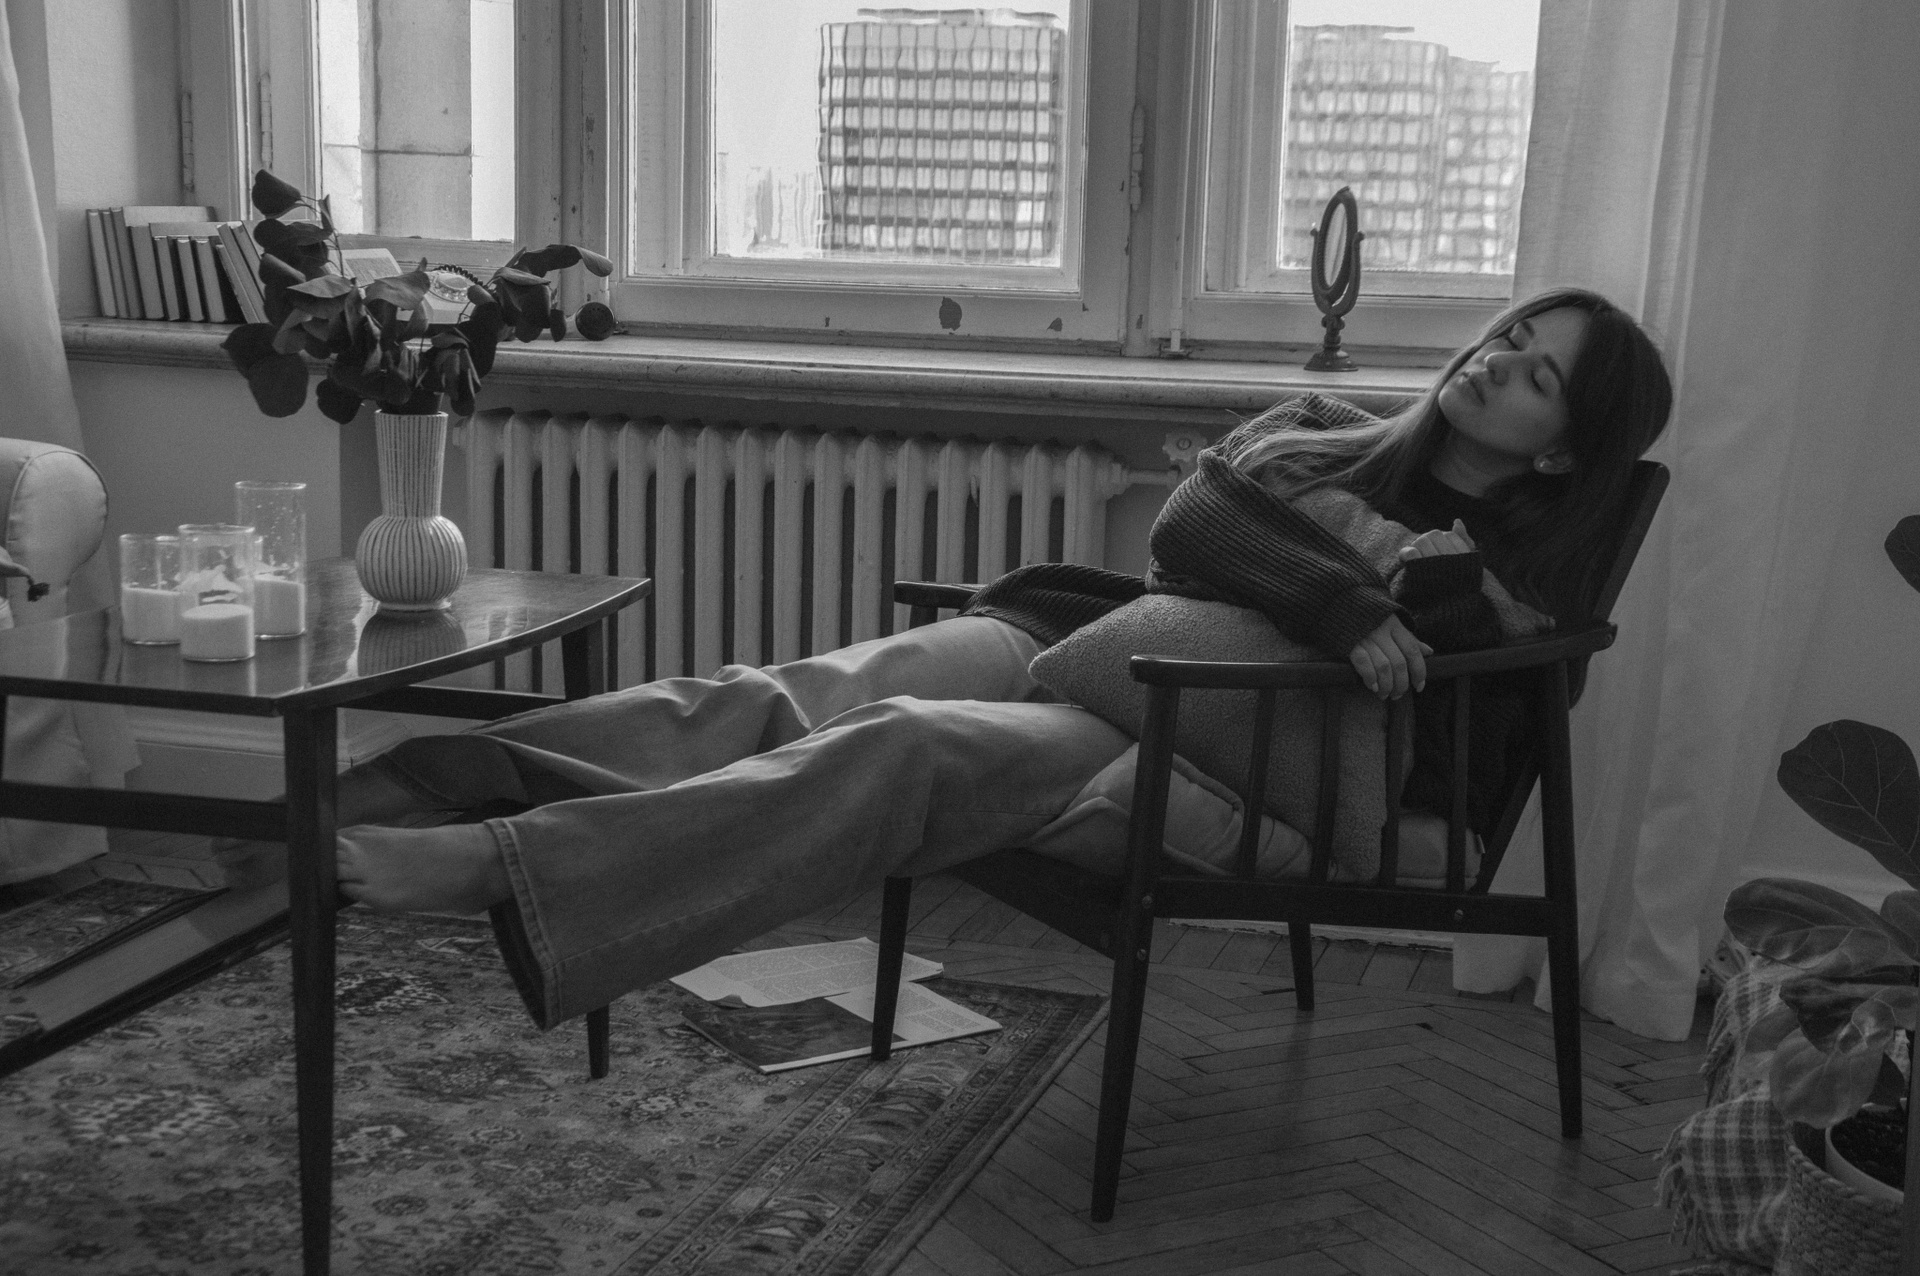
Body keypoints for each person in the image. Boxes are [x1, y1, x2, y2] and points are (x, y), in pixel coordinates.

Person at [307, 286, 1672, 1030]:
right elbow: (1194, 520)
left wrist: (1396, 605)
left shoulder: (1497, 582)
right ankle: (438, 782)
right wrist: (1340, 597)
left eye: (1538, 373)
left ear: (1564, 449)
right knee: (791, 691)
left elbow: (1454, 714)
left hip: (1186, 725)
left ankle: (510, 867)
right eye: (1508, 336)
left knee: (898, 749)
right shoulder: (1320, 429)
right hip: (1076, 631)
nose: (1497, 361)